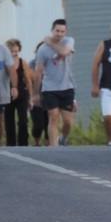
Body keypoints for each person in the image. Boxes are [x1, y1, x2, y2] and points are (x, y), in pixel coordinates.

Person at [28, 19, 76, 147]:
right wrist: (35, 93)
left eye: (62, 31)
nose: (59, 34)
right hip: (50, 88)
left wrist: (50, 42)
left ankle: (63, 138)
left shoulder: (69, 41)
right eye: (57, 31)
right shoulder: (42, 50)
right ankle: (54, 148)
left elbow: (64, 52)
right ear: (52, 30)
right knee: (53, 117)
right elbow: (38, 72)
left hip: (67, 87)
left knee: (68, 122)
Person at [4, 39, 30, 146]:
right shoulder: (3, 63)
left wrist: (31, 97)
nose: (14, 53)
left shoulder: (22, 62)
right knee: (9, 121)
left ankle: (23, 144)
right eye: (12, 51)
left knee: (23, 120)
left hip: (22, 95)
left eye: (16, 51)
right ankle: (11, 144)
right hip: (7, 95)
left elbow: (28, 80)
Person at [29, 42, 49, 147]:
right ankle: (36, 141)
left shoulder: (51, 63)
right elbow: (28, 81)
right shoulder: (31, 64)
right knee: (38, 124)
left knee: (49, 122)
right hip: (35, 98)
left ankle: (48, 143)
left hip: (49, 96)